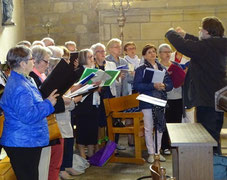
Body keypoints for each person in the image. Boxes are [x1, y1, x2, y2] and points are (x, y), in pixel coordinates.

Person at [165, 16, 227, 154]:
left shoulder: (207, 47)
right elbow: (199, 44)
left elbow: (184, 46)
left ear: (207, 32)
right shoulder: (220, 43)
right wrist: (186, 35)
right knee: (214, 135)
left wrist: (170, 32)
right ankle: (217, 166)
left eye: (201, 29)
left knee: (208, 136)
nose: (200, 31)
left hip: (206, 98)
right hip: (217, 98)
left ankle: (212, 168)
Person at [0, 45, 58, 180]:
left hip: (28, 139)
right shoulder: (19, 87)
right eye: (31, 58)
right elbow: (28, 116)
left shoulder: (25, 79)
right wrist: (48, 103)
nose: (34, 61)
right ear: (22, 63)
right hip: (21, 142)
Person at [133, 44, 173, 163]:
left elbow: (170, 84)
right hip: (147, 101)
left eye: (154, 52)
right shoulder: (141, 69)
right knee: (149, 127)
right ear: (144, 55)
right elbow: (137, 85)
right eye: (149, 52)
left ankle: (157, 151)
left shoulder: (162, 68)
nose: (152, 54)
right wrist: (153, 85)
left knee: (160, 127)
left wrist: (164, 85)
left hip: (160, 100)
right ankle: (151, 152)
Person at [74, 49, 99, 159]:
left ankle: (91, 152)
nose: (92, 58)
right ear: (83, 58)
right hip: (82, 103)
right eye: (89, 57)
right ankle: (82, 153)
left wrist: (99, 86)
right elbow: (75, 89)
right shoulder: (78, 71)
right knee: (82, 128)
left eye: (92, 56)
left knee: (92, 128)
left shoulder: (95, 70)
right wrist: (90, 86)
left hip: (94, 102)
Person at [158, 43, 183, 155]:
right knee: (165, 122)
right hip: (165, 98)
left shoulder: (176, 65)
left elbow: (182, 78)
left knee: (176, 122)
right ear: (160, 54)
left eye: (169, 51)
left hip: (178, 96)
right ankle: (165, 146)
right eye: (165, 52)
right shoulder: (157, 66)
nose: (168, 54)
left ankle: (175, 144)